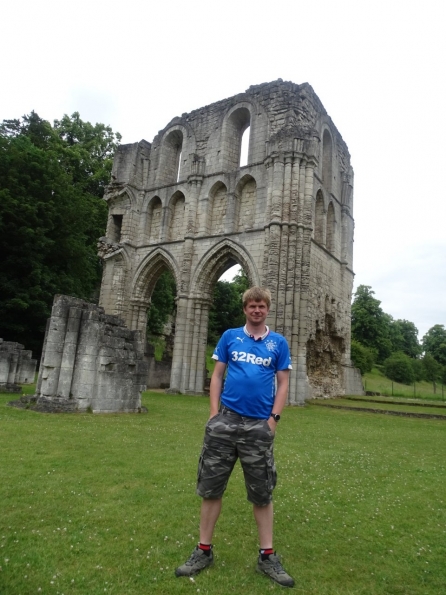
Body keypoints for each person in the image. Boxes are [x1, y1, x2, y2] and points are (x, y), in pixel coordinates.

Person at [175, 286, 295, 588]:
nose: (257, 310)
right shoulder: (231, 337)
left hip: (259, 426)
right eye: (252, 306)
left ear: (267, 309)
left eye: (261, 306)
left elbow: (283, 383)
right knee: (211, 489)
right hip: (225, 422)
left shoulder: (277, 343)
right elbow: (217, 375)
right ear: (245, 309)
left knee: (262, 493)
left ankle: (267, 556)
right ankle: (203, 551)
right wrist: (214, 415)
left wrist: (273, 421)